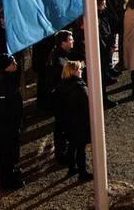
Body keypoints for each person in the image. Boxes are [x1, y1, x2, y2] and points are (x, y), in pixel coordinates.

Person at [0, 54, 24, 190]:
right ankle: (7, 181)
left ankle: (11, 174)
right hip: (7, 125)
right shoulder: (3, 83)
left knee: (11, 152)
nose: (15, 64)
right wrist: (12, 123)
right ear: (6, 67)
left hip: (10, 123)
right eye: (12, 62)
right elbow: (2, 107)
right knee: (8, 153)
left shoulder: (4, 77)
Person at [57, 61, 93, 181]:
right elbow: (88, 105)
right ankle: (82, 173)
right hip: (80, 122)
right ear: (74, 71)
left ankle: (72, 167)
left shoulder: (62, 85)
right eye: (79, 69)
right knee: (81, 148)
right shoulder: (80, 87)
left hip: (67, 120)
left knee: (72, 145)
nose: (81, 71)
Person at [45, 30, 74, 161]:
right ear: (63, 43)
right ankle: (61, 153)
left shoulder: (59, 54)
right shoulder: (59, 60)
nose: (73, 41)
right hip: (61, 98)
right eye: (70, 40)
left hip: (61, 96)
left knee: (63, 124)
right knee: (62, 125)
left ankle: (62, 150)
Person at [95, 0, 118, 109]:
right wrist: (108, 48)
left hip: (106, 47)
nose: (105, 6)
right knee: (101, 78)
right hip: (103, 50)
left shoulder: (102, 16)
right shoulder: (97, 19)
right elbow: (101, 35)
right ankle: (102, 100)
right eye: (103, 4)